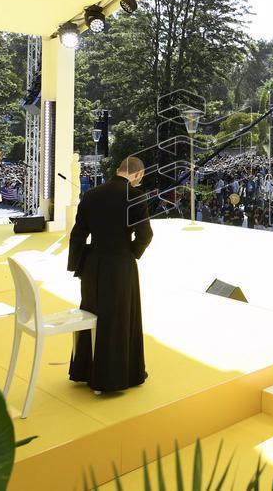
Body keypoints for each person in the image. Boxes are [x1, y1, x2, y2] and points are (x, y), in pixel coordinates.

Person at [67, 156, 154, 394]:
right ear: (137, 174)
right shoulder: (135, 196)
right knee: (118, 318)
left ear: (118, 170)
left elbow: (78, 234)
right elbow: (145, 235)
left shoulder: (91, 194)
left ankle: (84, 371)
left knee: (92, 313)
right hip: (120, 265)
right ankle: (114, 378)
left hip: (93, 264)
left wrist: (77, 265)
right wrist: (132, 253)